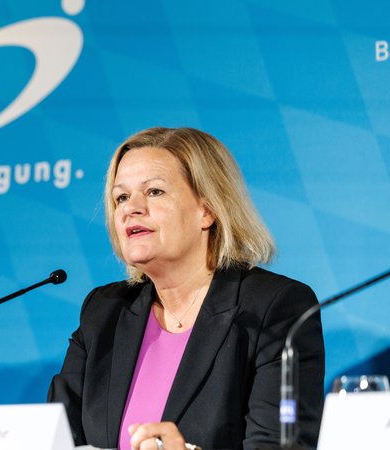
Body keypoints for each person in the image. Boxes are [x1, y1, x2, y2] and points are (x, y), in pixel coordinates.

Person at [48, 127, 324, 450]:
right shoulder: (103, 312)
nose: (130, 208)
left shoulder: (275, 308)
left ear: (207, 209)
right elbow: (55, 438)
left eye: (154, 192)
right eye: (121, 197)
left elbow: (280, 447)